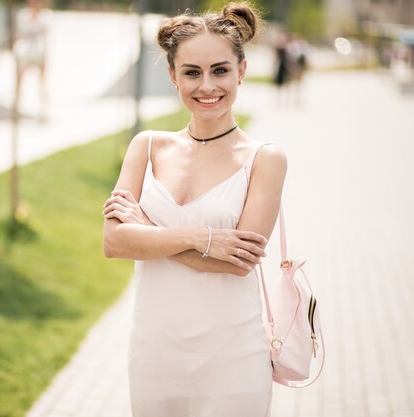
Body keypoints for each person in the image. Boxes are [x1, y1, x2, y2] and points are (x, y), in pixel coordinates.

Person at [102, 2, 287, 416]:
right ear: (173, 77)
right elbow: (115, 241)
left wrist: (147, 230)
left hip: (233, 357)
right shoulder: (146, 146)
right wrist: (202, 239)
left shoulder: (265, 158)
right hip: (154, 353)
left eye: (220, 70)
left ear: (241, 70)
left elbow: (239, 260)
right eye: (192, 72)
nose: (207, 86)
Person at [13, 0, 52, 122]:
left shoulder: (46, 16)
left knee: (42, 83)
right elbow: (19, 34)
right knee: (19, 82)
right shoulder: (22, 15)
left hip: (39, 53)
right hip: (25, 53)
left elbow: (45, 34)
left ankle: (43, 111)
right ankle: (16, 109)